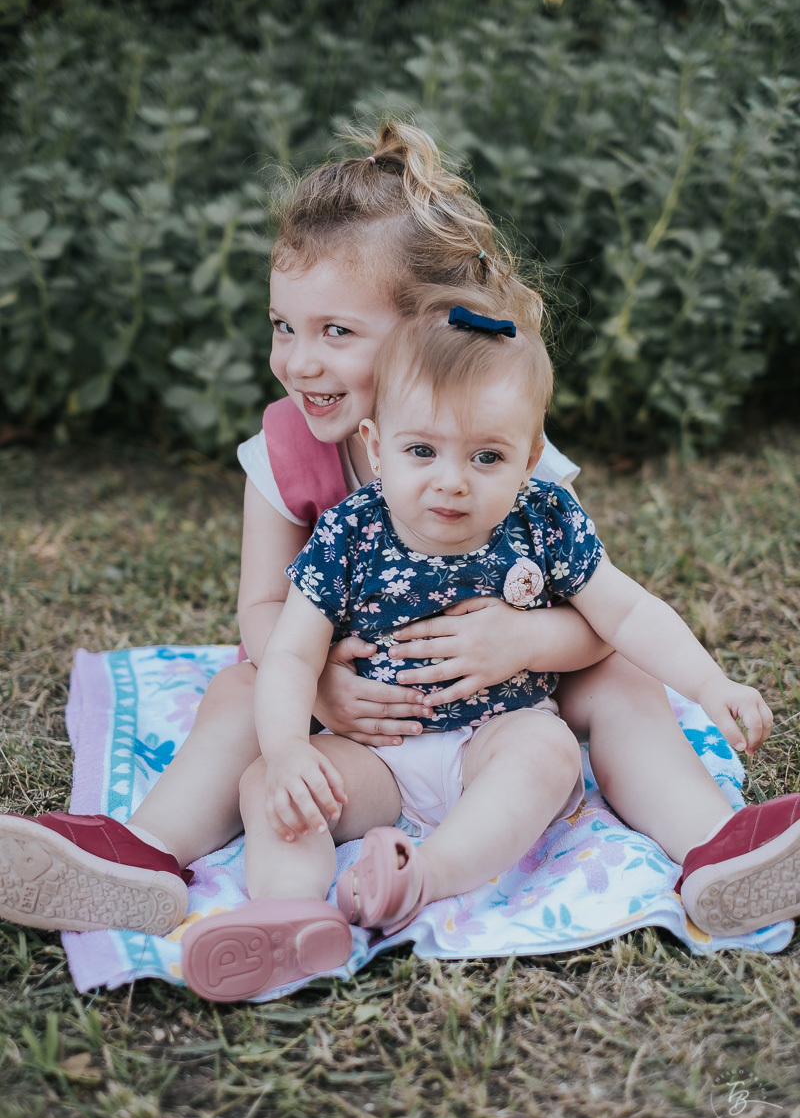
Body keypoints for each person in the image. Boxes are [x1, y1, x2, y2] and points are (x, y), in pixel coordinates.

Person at [0, 123, 797, 953]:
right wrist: (316, 692)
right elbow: (264, 607)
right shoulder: (287, 451)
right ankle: (145, 855)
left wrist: (521, 638)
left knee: (626, 680)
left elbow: (605, 614)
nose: (299, 362)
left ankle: (715, 845)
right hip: (358, 719)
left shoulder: (501, 443)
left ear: (430, 327)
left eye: (335, 333)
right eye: (283, 327)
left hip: (516, 700)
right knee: (242, 696)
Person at [179, 286, 786, 1002]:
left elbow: (628, 614)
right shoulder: (348, 532)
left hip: (492, 740)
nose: (451, 481)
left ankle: (421, 878)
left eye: (487, 457)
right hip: (376, 754)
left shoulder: (545, 520)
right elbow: (288, 653)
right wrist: (285, 751)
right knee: (270, 787)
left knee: (547, 751)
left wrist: (711, 684)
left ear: (530, 457)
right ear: (378, 447)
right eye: (422, 450)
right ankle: (291, 915)